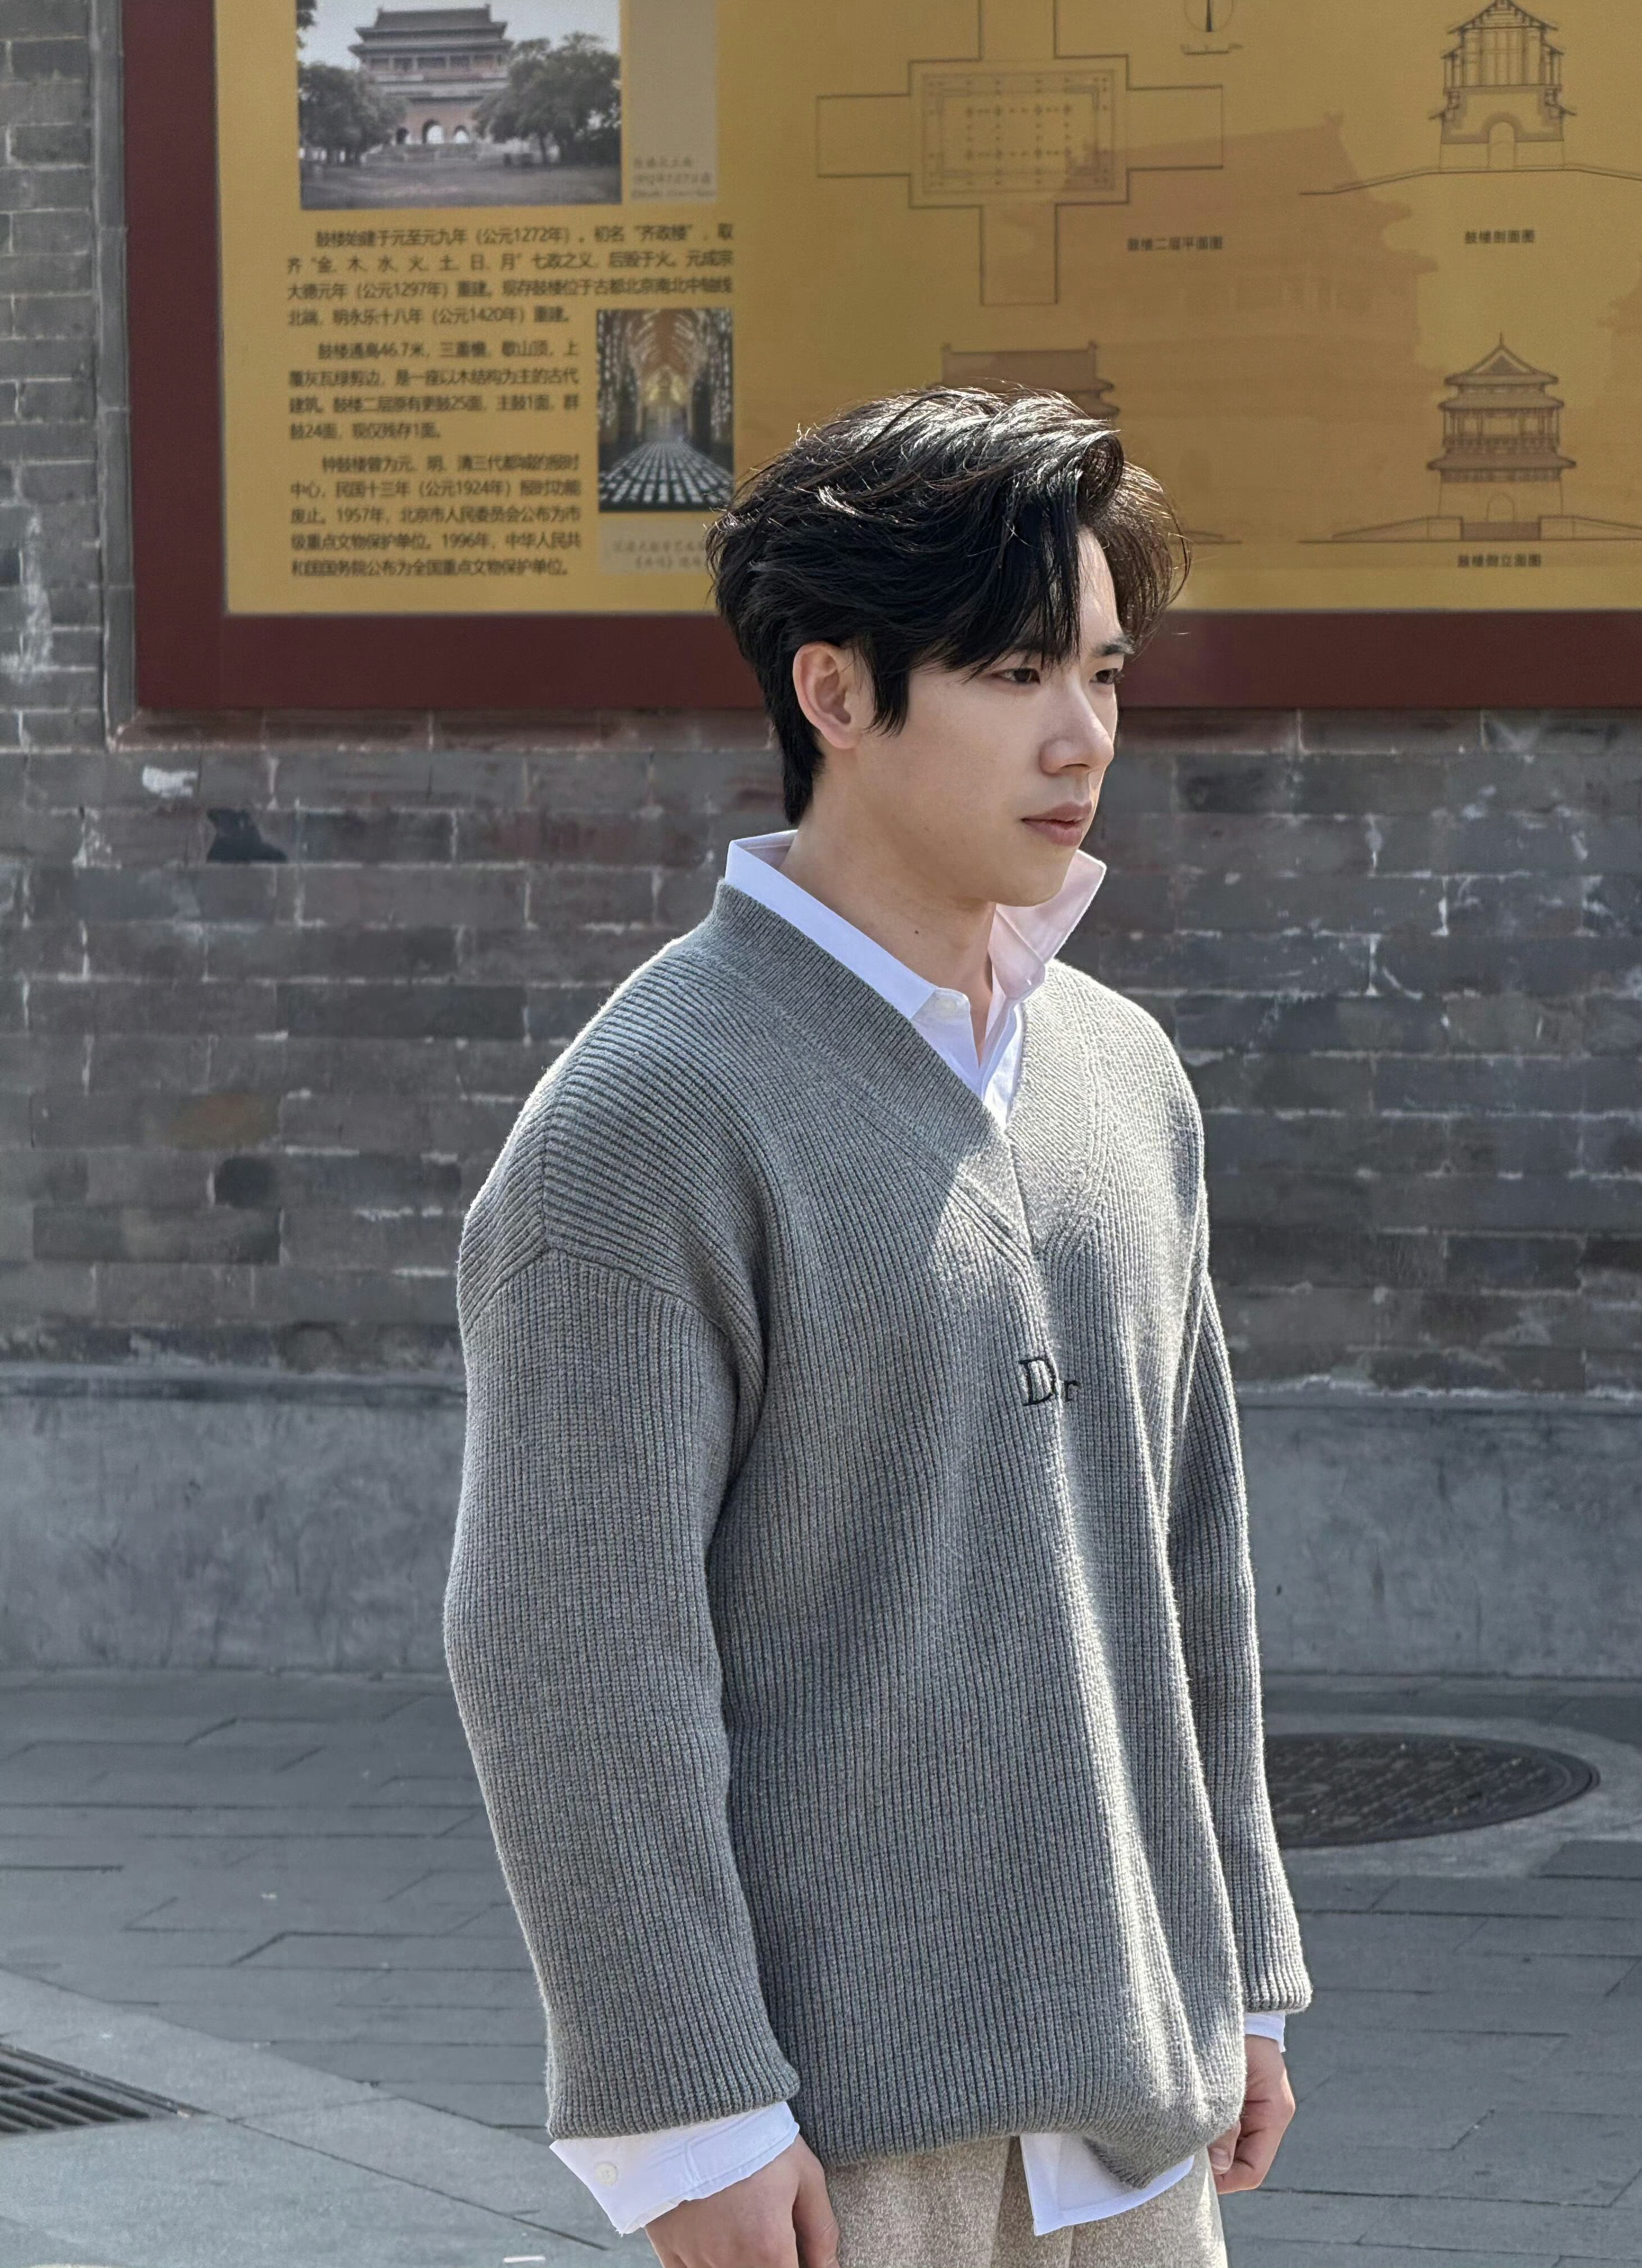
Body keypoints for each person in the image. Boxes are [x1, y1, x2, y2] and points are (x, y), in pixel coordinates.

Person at [444, 386, 1312, 2268]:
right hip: (840, 2141)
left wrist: (1241, 1961)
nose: (1082, 733)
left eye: (1101, 669)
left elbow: (1193, 1559)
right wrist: (685, 2116)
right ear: (833, 693)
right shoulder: (647, 1122)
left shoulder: (1124, 1079)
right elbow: (570, 1654)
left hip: (1139, 2113)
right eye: (1014, 672)